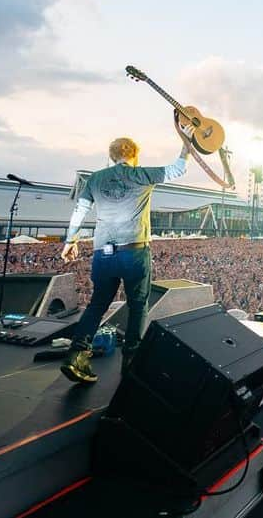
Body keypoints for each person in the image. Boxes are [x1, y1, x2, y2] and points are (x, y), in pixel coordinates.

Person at [60, 113, 194, 383]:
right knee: (137, 305)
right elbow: (178, 168)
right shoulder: (141, 174)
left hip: (103, 253)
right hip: (134, 250)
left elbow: (79, 211)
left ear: (111, 156)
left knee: (98, 303)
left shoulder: (95, 179)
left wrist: (70, 241)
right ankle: (131, 361)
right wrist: (186, 141)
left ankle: (77, 356)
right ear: (134, 155)